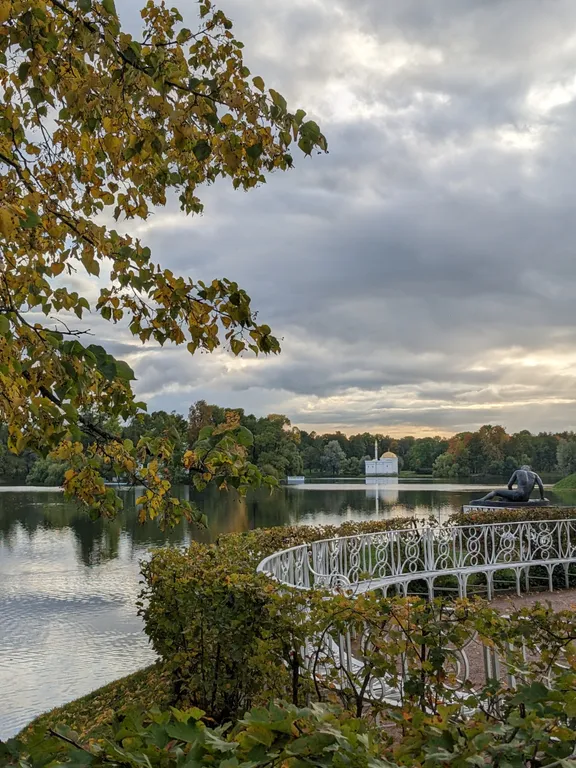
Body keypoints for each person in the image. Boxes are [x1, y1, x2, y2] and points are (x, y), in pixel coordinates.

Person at [472, 465, 547, 504]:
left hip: (518, 494)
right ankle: (508, 498)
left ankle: (482, 500)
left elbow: (509, 485)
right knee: (506, 498)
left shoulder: (518, 471)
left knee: (495, 492)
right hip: (525, 498)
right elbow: (541, 486)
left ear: (522, 468)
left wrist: (512, 495)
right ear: (529, 469)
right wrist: (542, 498)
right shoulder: (535, 475)